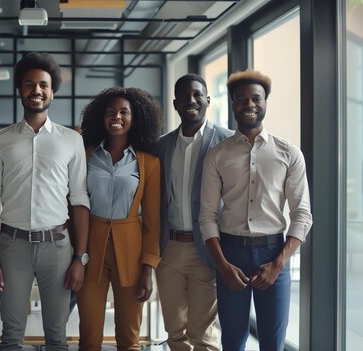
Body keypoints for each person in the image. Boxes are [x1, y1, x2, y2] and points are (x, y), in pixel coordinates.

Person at [0, 52, 90, 351]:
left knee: (57, 337)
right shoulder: (0, 142)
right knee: (11, 336)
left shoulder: (71, 140)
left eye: (43, 84)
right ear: (20, 90)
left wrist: (80, 258)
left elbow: (79, 200)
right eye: (29, 84)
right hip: (12, 247)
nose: (37, 90)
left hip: (58, 246)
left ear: (52, 90)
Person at [199, 70, 313, 350]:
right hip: (230, 253)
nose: (249, 104)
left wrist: (278, 263)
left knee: (272, 343)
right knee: (233, 340)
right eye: (241, 100)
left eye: (255, 98)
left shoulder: (289, 153)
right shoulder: (218, 154)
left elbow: (302, 215)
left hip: (274, 252)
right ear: (233, 104)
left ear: (265, 102)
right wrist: (222, 265)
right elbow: (207, 215)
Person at [77, 87, 161, 351]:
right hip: (91, 251)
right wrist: (75, 255)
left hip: (132, 255)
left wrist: (148, 268)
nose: (117, 116)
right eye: (111, 111)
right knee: (89, 337)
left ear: (135, 118)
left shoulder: (148, 163)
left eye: (125, 111)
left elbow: (153, 222)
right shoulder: (85, 155)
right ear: (101, 117)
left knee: (129, 339)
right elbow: (75, 205)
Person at [153, 74, 233, 350]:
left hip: (208, 249)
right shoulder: (161, 145)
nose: (191, 100)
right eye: (184, 96)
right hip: (169, 249)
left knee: (203, 334)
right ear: (175, 104)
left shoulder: (227, 141)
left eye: (198, 94)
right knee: (174, 332)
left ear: (208, 100)